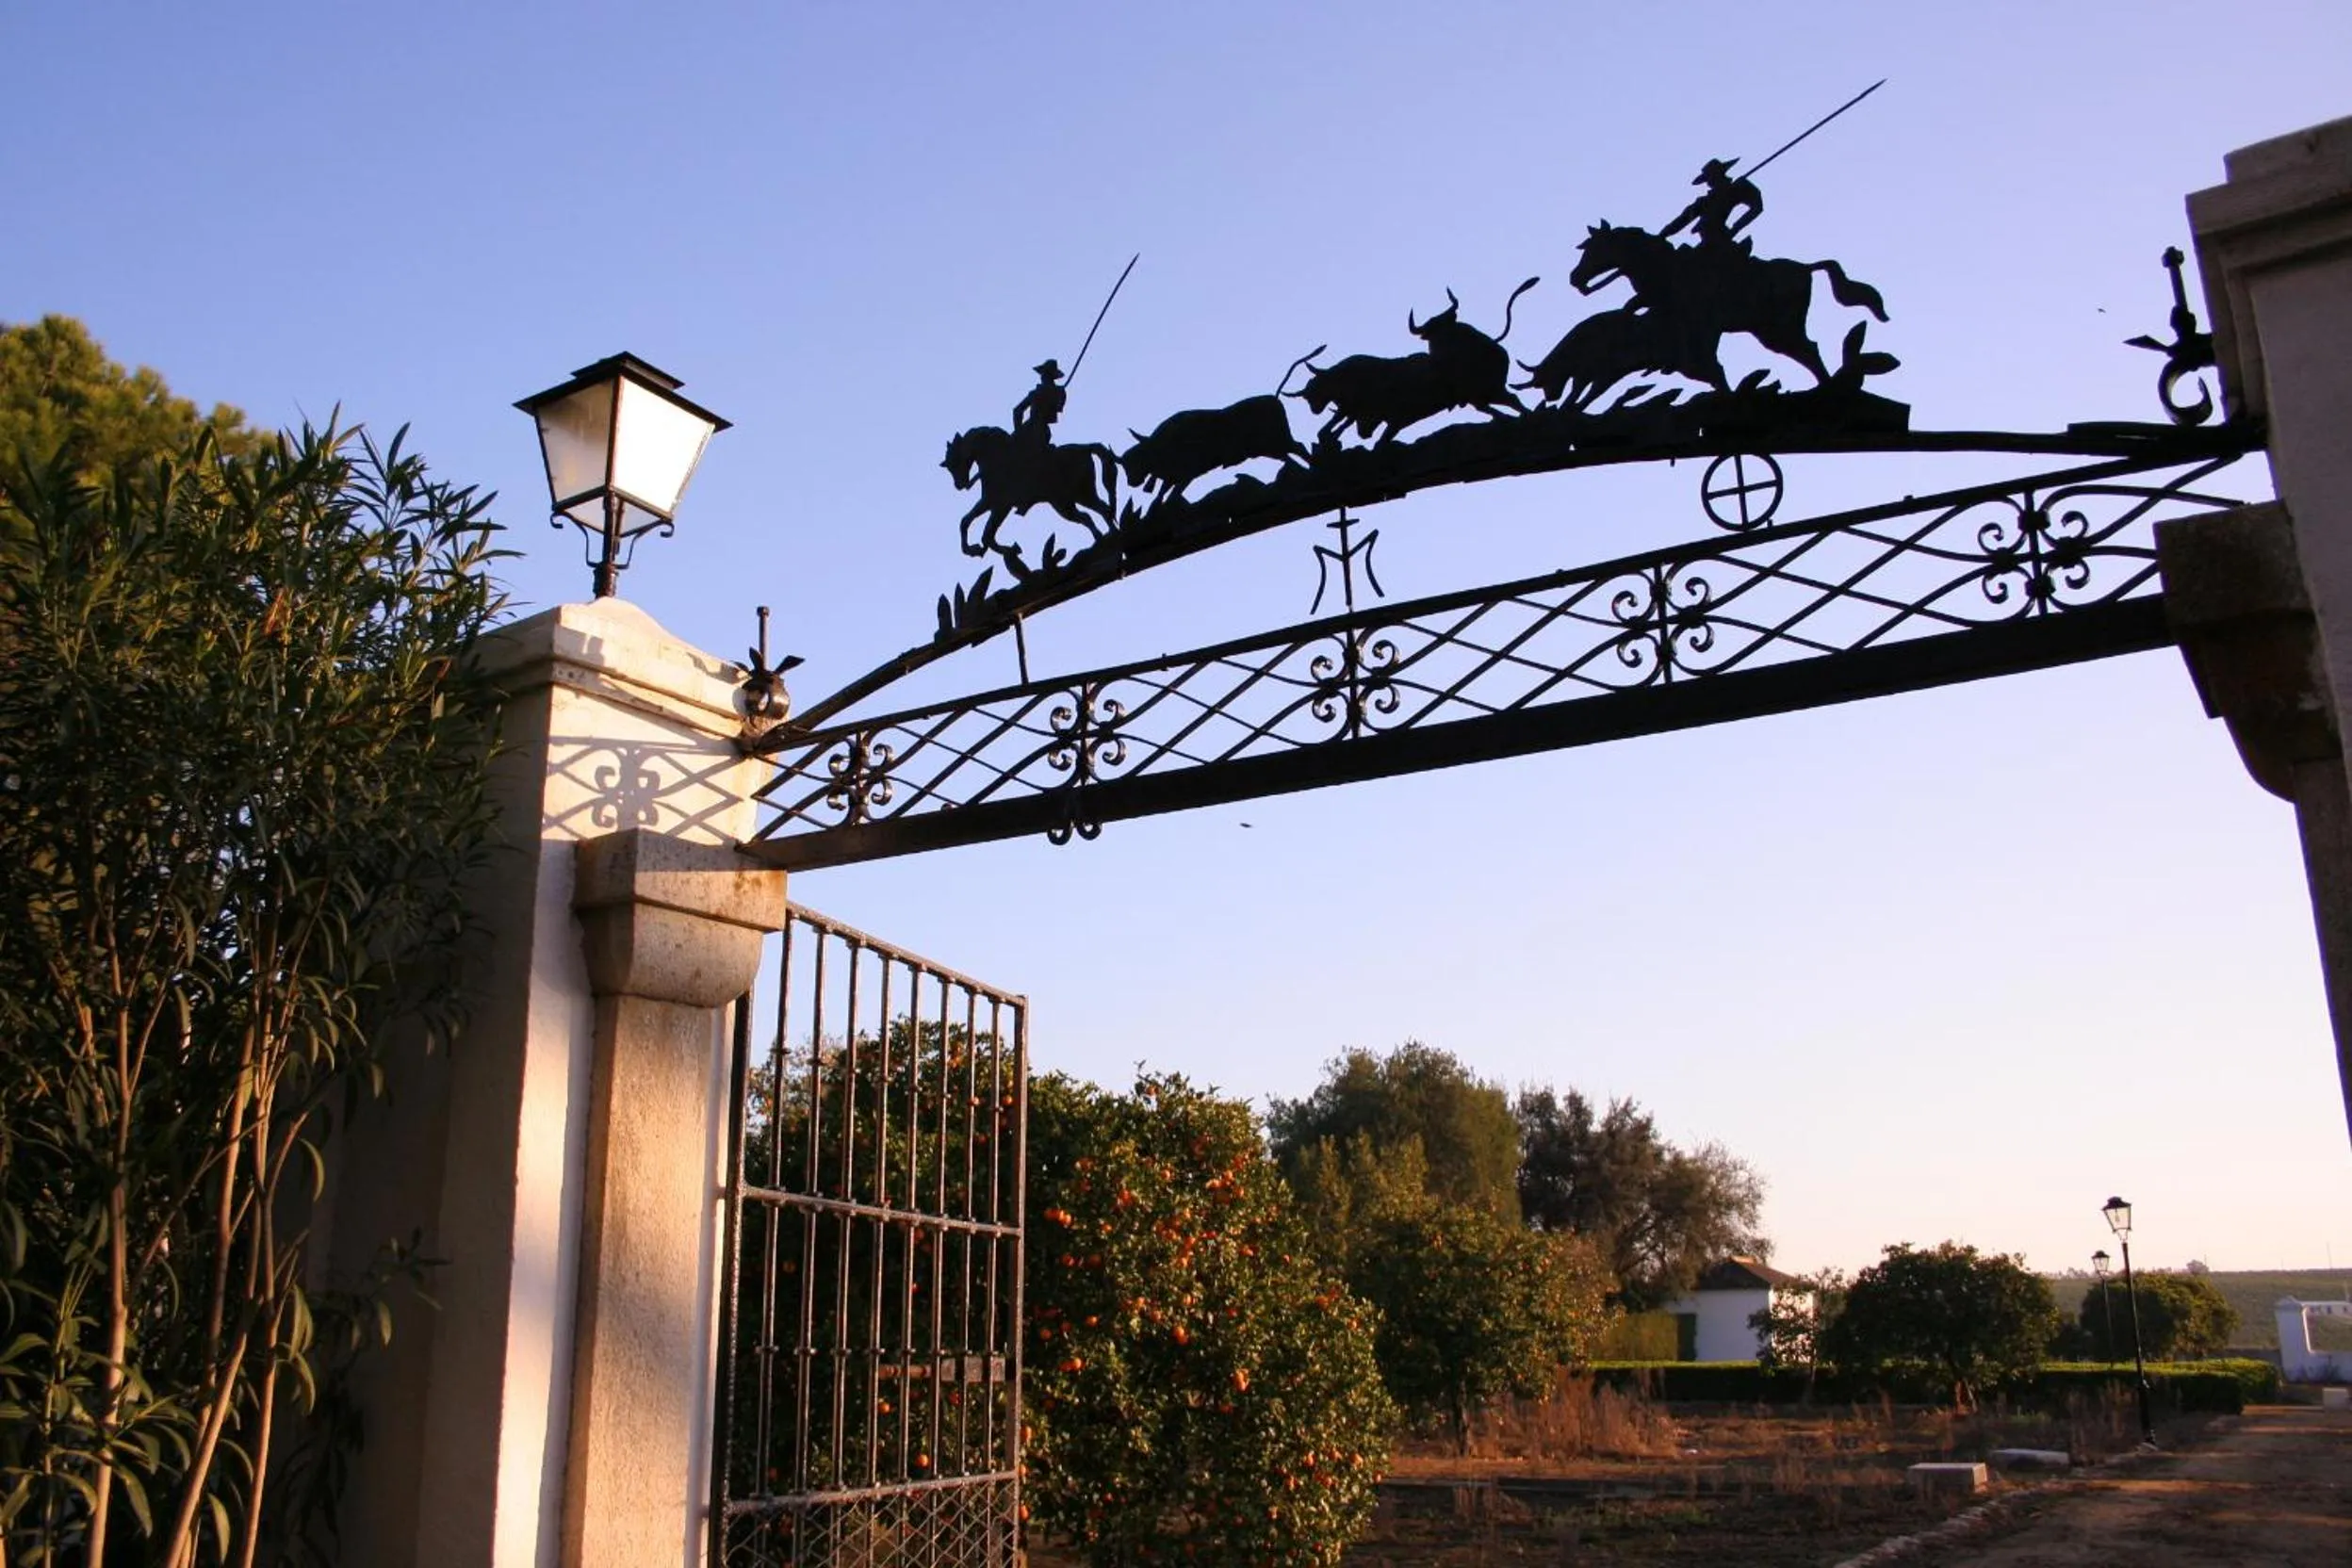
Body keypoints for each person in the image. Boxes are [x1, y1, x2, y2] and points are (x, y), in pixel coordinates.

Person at [1662, 157, 1763, 254]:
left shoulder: (1737, 189)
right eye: (1707, 179)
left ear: (1719, 174)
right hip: (1707, 242)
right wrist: (1662, 235)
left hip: (1720, 239)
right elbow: (1682, 220)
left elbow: (1757, 207)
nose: (1708, 183)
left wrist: (1736, 228)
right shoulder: (1704, 201)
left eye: (1710, 178)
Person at [1012, 358, 1067, 452]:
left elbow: (1017, 410)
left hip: (1035, 430)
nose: (1041, 376)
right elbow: (1017, 411)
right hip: (1037, 429)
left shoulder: (1039, 393)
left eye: (1043, 374)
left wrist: (1018, 431)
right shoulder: (1058, 392)